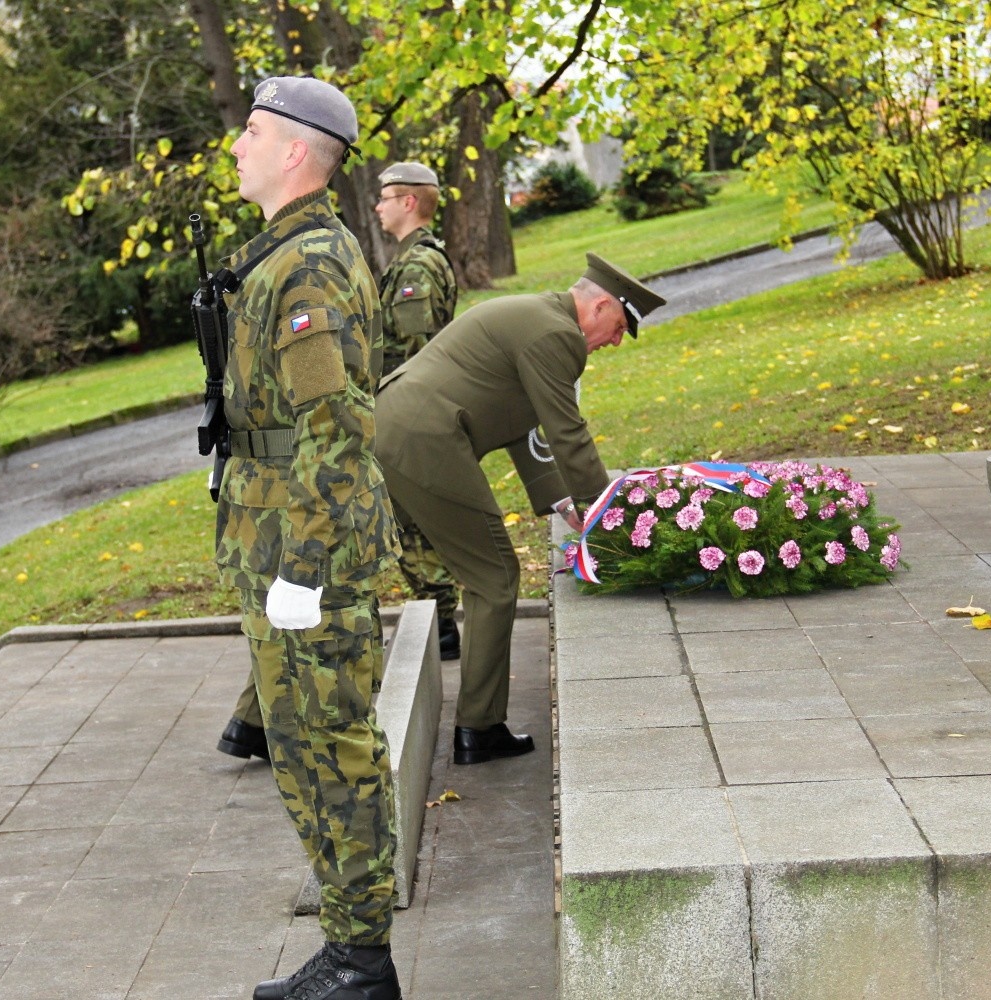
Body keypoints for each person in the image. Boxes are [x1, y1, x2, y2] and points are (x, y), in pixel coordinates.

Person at [211, 75, 402, 1000]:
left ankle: (364, 962)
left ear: (294, 150)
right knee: (299, 749)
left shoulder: (310, 266)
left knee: (335, 750)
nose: (235, 144)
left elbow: (335, 427)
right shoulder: (283, 254)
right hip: (277, 536)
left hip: (306, 548)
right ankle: (347, 947)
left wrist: (303, 568)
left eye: (250, 131)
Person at [375, 255, 666, 764]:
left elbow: (526, 426)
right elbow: (566, 431)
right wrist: (609, 512)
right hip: (424, 439)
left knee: (344, 561)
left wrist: (563, 500)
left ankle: (251, 721)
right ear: (600, 305)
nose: (616, 342)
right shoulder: (556, 335)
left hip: (398, 427)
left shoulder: (538, 316)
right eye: (620, 327)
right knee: (494, 577)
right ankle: (479, 726)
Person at [372, 161, 463, 662]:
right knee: (408, 519)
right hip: (405, 410)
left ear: (409, 202)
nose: (378, 207)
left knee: (411, 520)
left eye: (385, 198)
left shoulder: (417, 267)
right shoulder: (412, 259)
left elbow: (414, 352)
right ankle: (439, 620)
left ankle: (441, 622)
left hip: (407, 413)